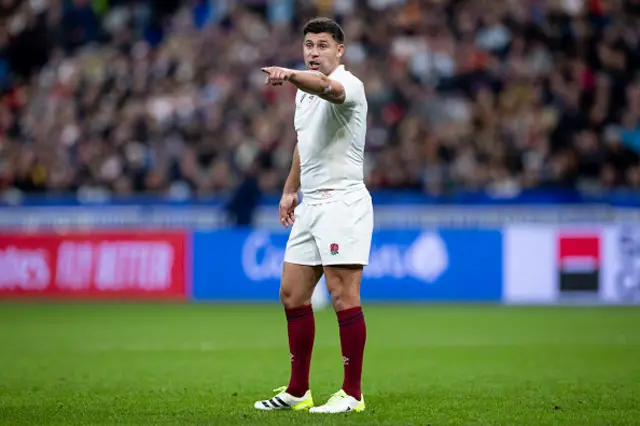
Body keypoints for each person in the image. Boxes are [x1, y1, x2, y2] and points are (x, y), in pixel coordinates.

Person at [253, 17, 373, 414]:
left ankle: (352, 394)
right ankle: (298, 390)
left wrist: (289, 74)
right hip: (312, 205)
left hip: (343, 202)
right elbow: (304, 145)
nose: (314, 51)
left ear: (340, 50)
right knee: (291, 293)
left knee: (342, 295)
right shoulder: (302, 95)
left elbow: (326, 87)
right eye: (308, 45)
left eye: (323, 45)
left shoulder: (348, 84)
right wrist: (290, 190)